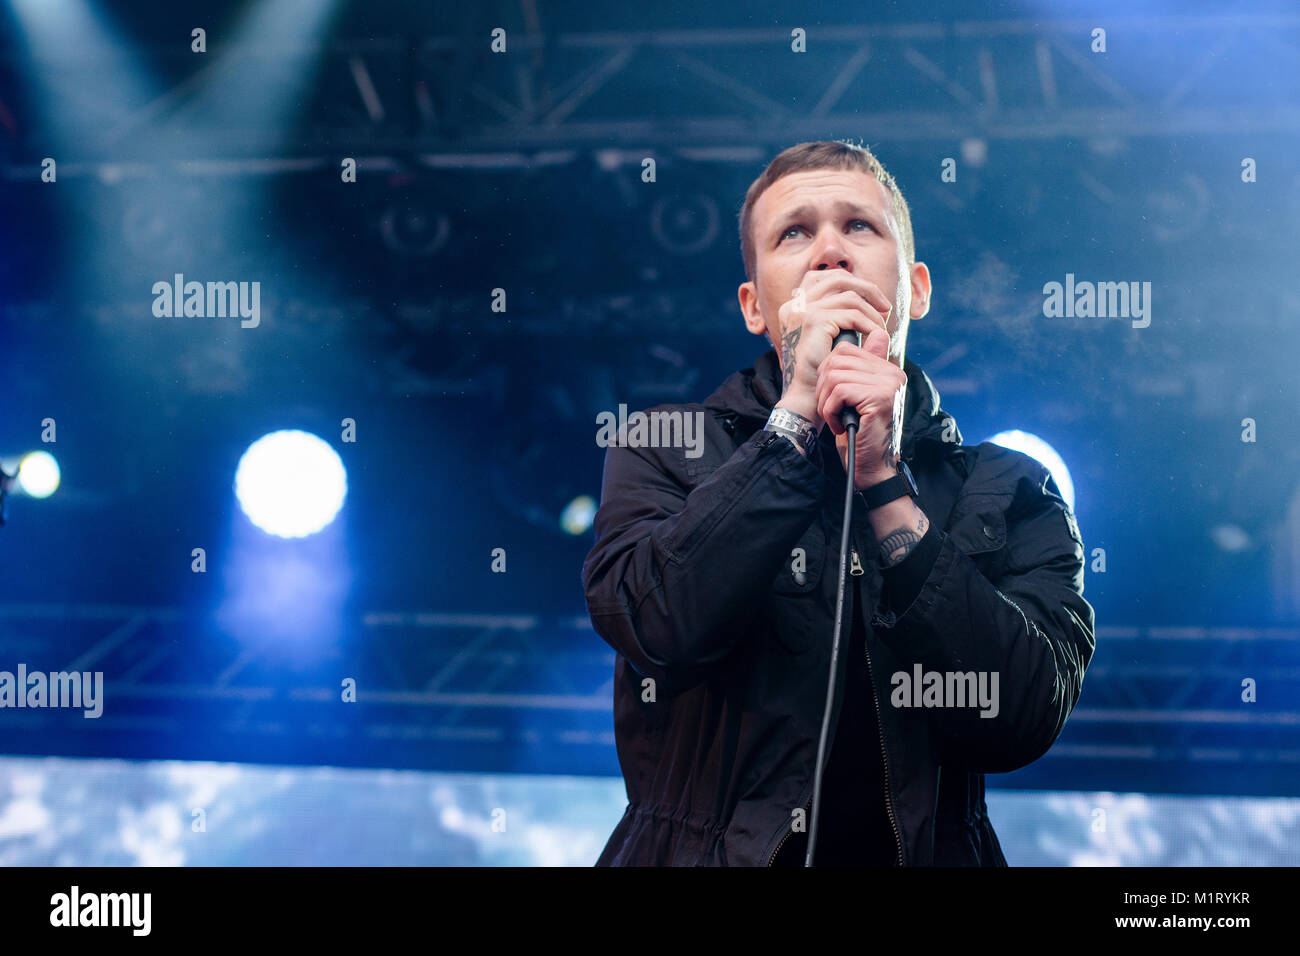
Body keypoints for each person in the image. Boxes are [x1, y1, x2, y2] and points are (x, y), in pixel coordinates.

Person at [581, 140, 1095, 866]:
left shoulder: (1011, 488)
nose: (829, 252)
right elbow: (655, 622)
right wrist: (791, 427)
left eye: (860, 226)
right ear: (755, 307)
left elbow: (1020, 714)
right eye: (794, 234)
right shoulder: (665, 448)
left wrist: (886, 488)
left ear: (914, 289)